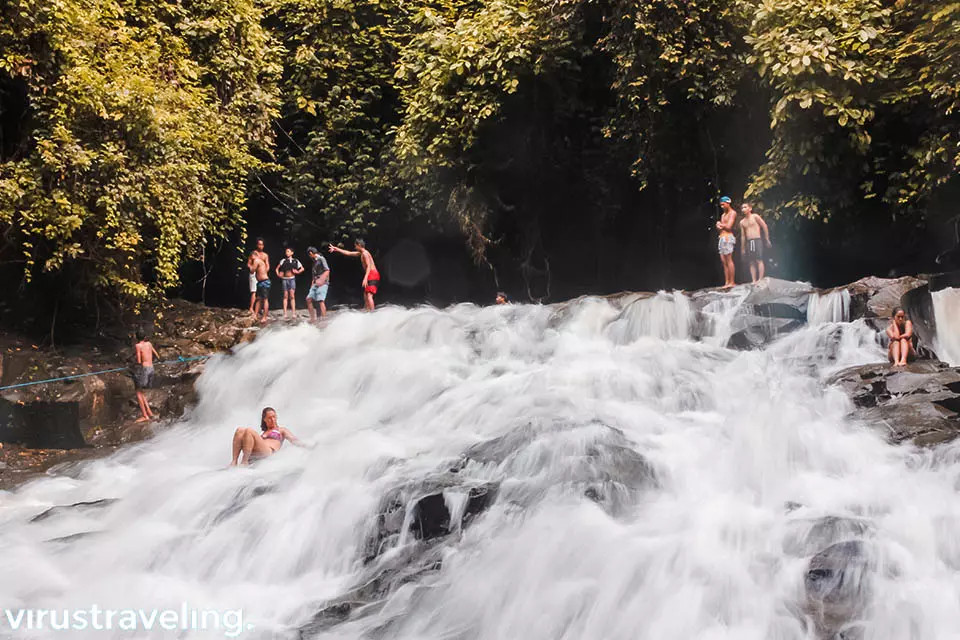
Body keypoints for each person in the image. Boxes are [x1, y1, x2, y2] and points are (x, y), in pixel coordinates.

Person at [230, 407, 308, 466]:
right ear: (265, 420)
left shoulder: (281, 430)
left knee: (248, 430)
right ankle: (234, 461)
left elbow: (294, 440)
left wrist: (308, 447)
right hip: (256, 452)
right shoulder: (263, 433)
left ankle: (244, 462)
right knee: (239, 430)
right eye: (269, 418)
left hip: (268, 452)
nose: (273, 420)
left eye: (274, 417)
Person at [329, 239, 380, 311]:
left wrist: (365, 278)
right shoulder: (361, 253)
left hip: (372, 274)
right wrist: (336, 249)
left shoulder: (365, 253)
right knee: (365, 296)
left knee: (369, 295)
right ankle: (367, 311)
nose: (355, 247)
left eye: (355, 246)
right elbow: (348, 253)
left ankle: (372, 313)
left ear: (359, 245)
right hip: (371, 274)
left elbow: (368, 266)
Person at [739, 203, 772, 283]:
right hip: (749, 242)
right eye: (742, 208)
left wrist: (767, 238)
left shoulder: (755, 216)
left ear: (750, 208)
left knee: (758, 259)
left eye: (745, 207)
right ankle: (753, 280)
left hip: (757, 240)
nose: (743, 209)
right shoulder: (742, 222)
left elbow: (764, 226)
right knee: (751, 262)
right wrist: (742, 249)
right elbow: (743, 236)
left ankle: (760, 279)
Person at [133, 329, 160, 423]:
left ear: (136, 337)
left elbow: (139, 361)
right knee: (141, 391)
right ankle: (149, 413)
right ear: (145, 337)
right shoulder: (149, 344)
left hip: (144, 370)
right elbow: (156, 354)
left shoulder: (138, 346)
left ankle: (145, 416)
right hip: (151, 369)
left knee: (138, 392)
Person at [275, 246, 305, 320]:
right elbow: (277, 268)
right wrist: (278, 275)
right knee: (285, 296)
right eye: (286, 251)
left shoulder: (295, 261)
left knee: (292, 296)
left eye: (288, 251)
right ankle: (285, 313)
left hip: (292, 279)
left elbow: (302, 268)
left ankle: (294, 313)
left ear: (292, 253)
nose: (287, 253)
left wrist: (298, 272)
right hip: (285, 279)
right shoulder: (283, 260)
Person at [716, 196, 738, 288]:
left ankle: (732, 282)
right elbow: (721, 229)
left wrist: (721, 224)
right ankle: (727, 282)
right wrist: (718, 227)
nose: (722, 206)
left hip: (728, 237)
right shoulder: (723, 215)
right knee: (723, 261)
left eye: (723, 204)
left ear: (728, 203)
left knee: (729, 260)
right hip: (722, 237)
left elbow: (729, 227)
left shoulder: (732, 213)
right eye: (721, 205)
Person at [306, 246, 330, 322]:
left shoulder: (321, 259)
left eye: (309, 255)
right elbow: (314, 275)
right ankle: (313, 319)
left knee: (320, 300)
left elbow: (327, 270)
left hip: (322, 282)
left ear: (311, 253)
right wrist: (312, 285)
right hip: (315, 282)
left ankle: (324, 319)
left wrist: (322, 280)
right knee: (308, 299)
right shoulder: (314, 262)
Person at [251, 244, 271, 324]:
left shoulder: (256, 261)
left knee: (265, 299)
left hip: (264, 282)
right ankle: (255, 315)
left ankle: (265, 317)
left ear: (253, 256)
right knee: (258, 298)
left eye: (251, 257)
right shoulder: (260, 261)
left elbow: (252, 270)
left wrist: (251, 266)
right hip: (260, 282)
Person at [246, 238, 267, 316]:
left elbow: (267, 265)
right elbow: (248, 263)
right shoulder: (253, 253)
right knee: (254, 291)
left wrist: (264, 272)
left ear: (263, 246)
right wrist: (252, 268)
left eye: (261, 244)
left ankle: (259, 309)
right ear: (256, 245)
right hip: (254, 274)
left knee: (261, 291)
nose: (260, 246)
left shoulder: (265, 255)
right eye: (259, 244)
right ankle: (251, 307)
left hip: (262, 275)